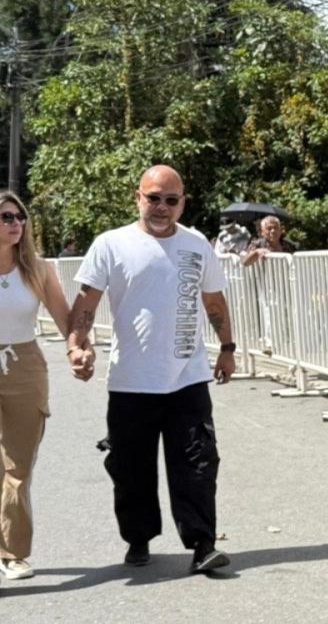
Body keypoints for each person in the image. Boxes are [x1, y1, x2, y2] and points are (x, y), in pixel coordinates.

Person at [66, 165, 236, 573]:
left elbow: (214, 302)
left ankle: (202, 545)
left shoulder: (197, 244)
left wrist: (227, 349)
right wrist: (76, 345)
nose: (161, 207)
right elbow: (86, 304)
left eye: (170, 200)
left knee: (197, 463)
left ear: (182, 202)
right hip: (131, 382)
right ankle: (138, 538)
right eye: (153, 198)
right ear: (137, 197)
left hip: (188, 378)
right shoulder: (111, 244)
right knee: (131, 468)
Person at [0, 192, 72, 581]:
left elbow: (64, 317)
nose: (16, 223)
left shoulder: (37, 270)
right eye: (6, 217)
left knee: (18, 464)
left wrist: (79, 350)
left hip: (24, 364)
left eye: (20, 216)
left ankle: (11, 553)